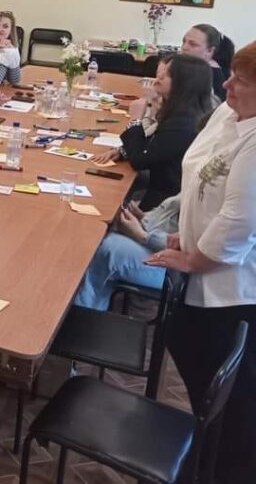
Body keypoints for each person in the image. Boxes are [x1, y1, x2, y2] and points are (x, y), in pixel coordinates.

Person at [145, 40, 256, 484]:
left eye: (239, 80)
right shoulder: (233, 116)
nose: (225, 84)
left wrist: (196, 257)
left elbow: (239, 220)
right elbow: (203, 183)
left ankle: (215, 470)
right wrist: (189, 232)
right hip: (205, 266)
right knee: (196, 367)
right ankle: (204, 458)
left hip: (230, 291)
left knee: (233, 404)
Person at [92, 53, 213, 210]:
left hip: (164, 201)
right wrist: (123, 151)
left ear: (184, 83)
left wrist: (135, 120)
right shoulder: (181, 112)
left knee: (104, 197)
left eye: (168, 74)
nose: (159, 76)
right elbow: (156, 147)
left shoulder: (183, 122)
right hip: (158, 186)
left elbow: (140, 160)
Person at [72, 196, 178, 309]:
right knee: (102, 229)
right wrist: (143, 218)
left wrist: (141, 235)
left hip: (175, 268)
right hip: (157, 240)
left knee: (107, 250)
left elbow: (182, 246)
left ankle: (82, 312)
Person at [181, 23, 235, 101]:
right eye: (184, 41)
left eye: (193, 44)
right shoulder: (188, 68)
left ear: (210, 51)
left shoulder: (211, 75)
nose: (184, 47)